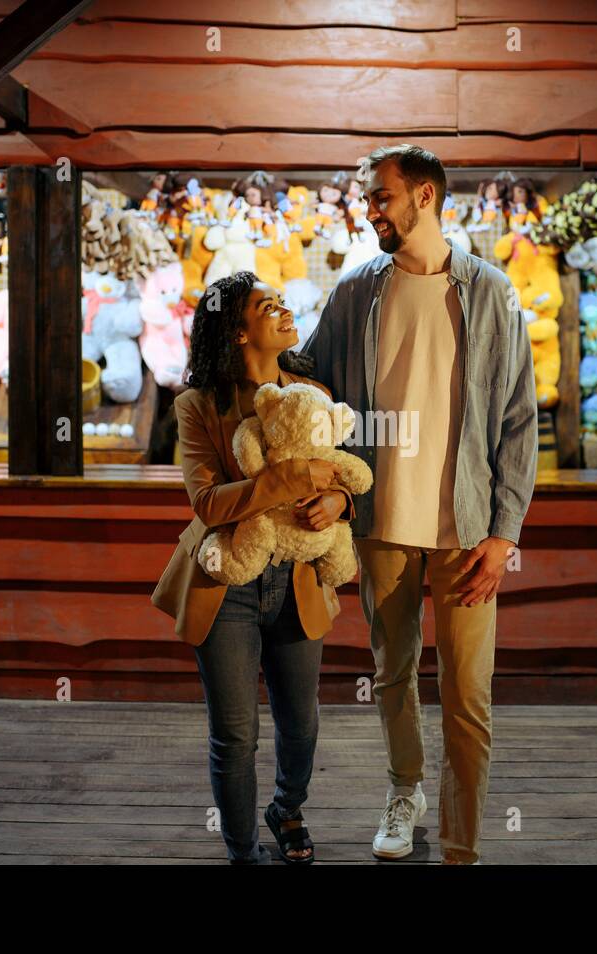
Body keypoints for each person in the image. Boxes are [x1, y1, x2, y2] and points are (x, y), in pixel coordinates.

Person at [302, 144, 538, 864]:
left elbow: (520, 421)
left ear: (426, 197)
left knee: (468, 695)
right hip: (379, 524)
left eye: (381, 196)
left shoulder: (493, 292)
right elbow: (307, 380)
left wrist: (505, 533)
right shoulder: (353, 293)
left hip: (468, 530)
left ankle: (463, 841)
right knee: (392, 674)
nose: (369, 208)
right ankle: (405, 791)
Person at [150, 271, 358, 864]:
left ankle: (286, 809)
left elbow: (345, 473)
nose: (285, 312)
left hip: (297, 579)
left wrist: (340, 500)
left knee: (302, 724)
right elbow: (208, 503)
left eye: (283, 302)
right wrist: (292, 480)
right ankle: (242, 851)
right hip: (224, 581)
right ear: (239, 333)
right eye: (269, 307)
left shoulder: (311, 390)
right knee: (235, 734)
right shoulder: (196, 406)